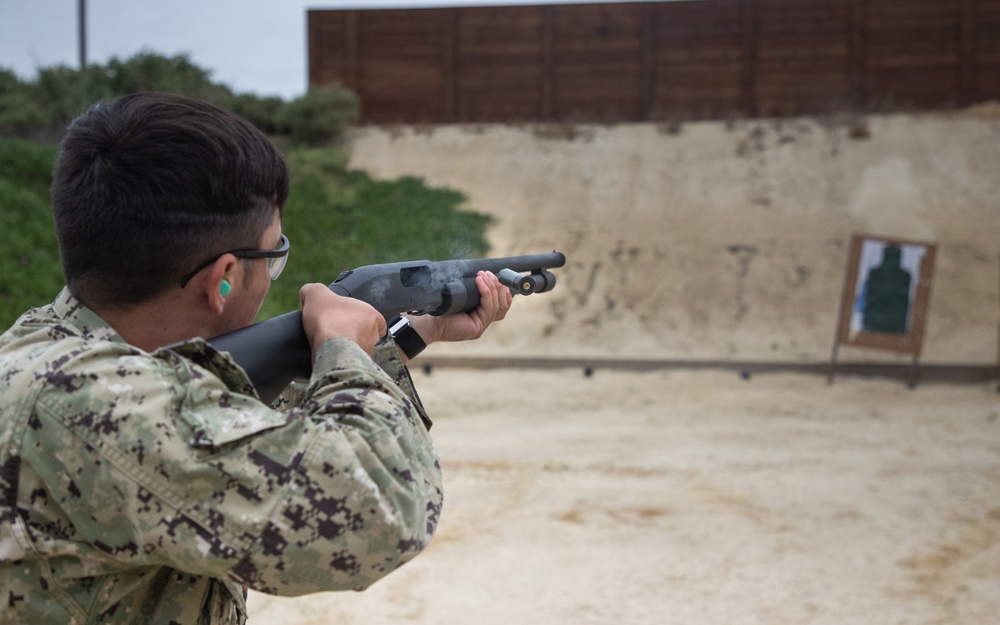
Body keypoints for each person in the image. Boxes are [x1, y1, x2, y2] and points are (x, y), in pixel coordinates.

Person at [0, 92, 512, 624]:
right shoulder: (85, 404)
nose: (272, 276)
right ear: (222, 278)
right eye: (274, 255)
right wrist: (340, 347)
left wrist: (399, 336)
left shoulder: (54, 353)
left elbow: (229, 422)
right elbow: (381, 509)